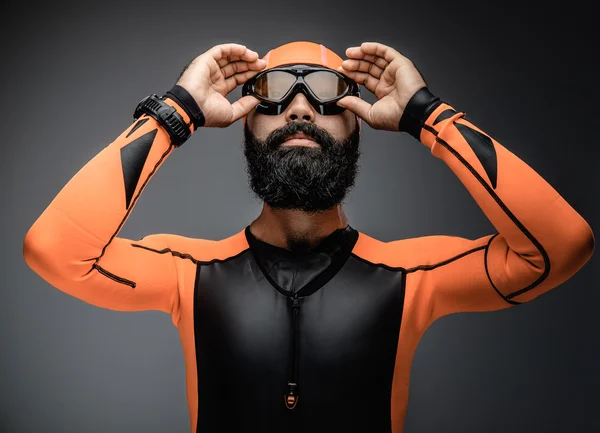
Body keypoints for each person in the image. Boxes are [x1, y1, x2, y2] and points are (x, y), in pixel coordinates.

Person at [22, 40, 594, 433]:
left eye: (327, 92)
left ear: (360, 125)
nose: (300, 107)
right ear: (244, 120)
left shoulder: (413, 278)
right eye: (272, 91)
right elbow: (54, 250)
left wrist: (428, 115)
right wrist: (176, 113)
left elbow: (561, 244)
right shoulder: (188, 273)